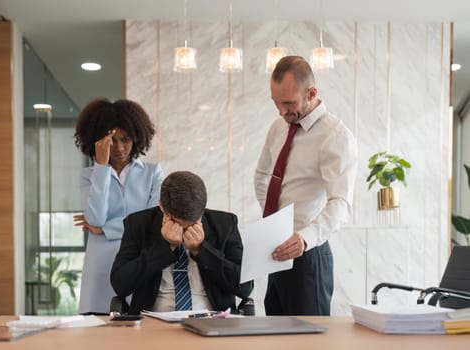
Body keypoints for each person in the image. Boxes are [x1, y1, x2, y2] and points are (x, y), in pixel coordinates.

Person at [254, 56, 358, 316]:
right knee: (275, 336)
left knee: (308, 341)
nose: (281, 111)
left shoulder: (335, 136)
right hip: (276, 251)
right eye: (276, 103)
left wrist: (304, 238)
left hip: (309, 257)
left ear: (311, 93)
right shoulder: (278, 127)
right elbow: (262, 175)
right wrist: (274, 223)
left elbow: (341, 203)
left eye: (288, 103)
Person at [110, 171, 253, 315]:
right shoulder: (138, 224)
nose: (185, 230)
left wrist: (201, 250)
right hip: (154, 320)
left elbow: (245, 287)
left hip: (213, 319)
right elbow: (120, 285)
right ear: (161, 206)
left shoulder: (225, 224)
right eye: (176, 223)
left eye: (193, 223)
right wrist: (165, 247)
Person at [73, 98, 164, 314]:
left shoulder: (153, 173)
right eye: (112, 141)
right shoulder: (89, 176)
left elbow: (151, 222)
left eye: (126, 139)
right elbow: (95, 218)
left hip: (138, 262)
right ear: (98, 141)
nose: (120, 147)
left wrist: (104, 229)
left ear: (136, 137)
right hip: (101, 265)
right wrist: (101, 166)